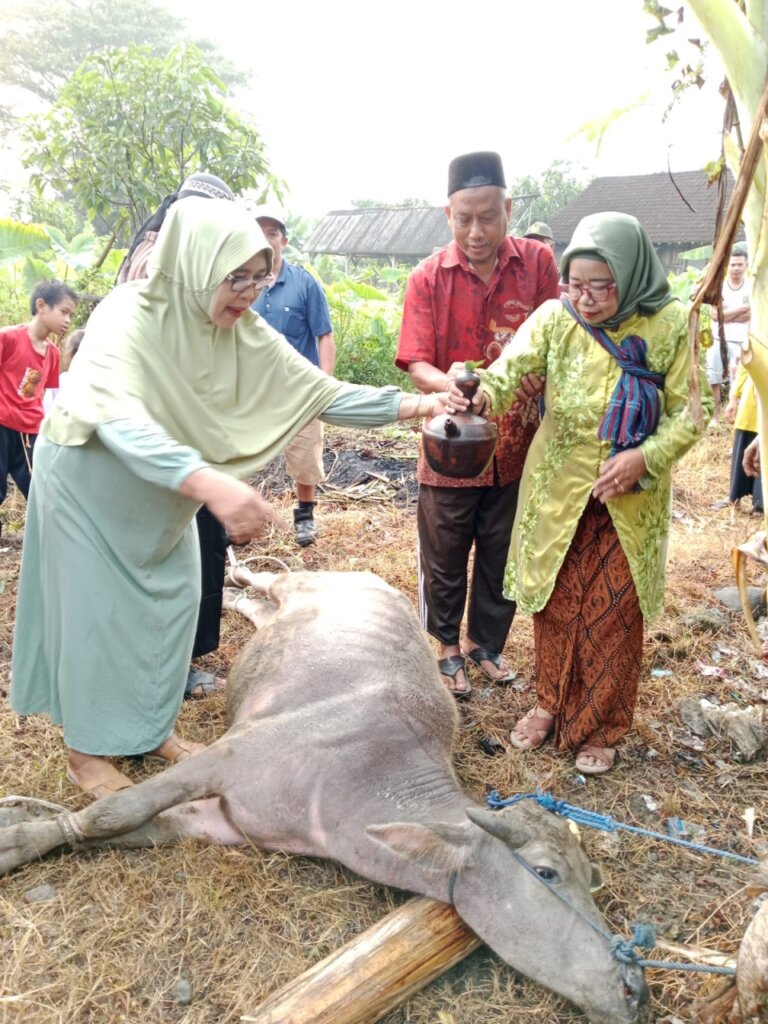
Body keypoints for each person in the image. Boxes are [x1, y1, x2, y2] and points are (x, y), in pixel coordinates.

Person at [10, 197, 449, 800]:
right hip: (91, 489)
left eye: (258, 276)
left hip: (162, 495)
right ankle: (85, 756)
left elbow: (313, 390)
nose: (247, 292)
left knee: (172, 606)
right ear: (193, 266)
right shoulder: (127, 315)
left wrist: (417, 405)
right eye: (234, 277)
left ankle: (148, 729)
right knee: (100, 621)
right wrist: (211, 483)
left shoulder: (239, 329)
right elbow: (114, 416)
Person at [448, 211, 712, 774]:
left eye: (601, 285)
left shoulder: (671, 323)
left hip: (630, 494)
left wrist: (645, 456)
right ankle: (549, 703)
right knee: (557, 602)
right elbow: (508, 370)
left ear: (632, 274)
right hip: (559, 487)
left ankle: (601, 724)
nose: (585, 299)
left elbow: (695, 411)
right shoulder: (554, 318)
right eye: (576, 283)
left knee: (614, 608)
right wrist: (478, 393)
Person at [396, 151, 559, 698]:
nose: (475, 231)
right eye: (463, 218)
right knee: (443, 551)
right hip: (450, 443)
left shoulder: (536, 265)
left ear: (508, 208)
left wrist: (537, 376)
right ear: (448, 215)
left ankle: (485, 645)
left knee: (500, 550)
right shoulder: (428, 278)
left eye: (487, 216)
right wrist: (450, 386)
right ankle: (445, 647)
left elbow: (553, 338)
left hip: (515, 444)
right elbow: (416, 362)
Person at [117, 171, 236, 699]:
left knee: (199, 545)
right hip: (160, 431)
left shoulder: (194, 260)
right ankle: (165, 666)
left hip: (191, 427)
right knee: (168, 550)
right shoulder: (156, 260)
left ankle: (178, 659)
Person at [252, 206, 336, 547]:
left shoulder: (304, 283)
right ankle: (236, 516)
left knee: (304, 455)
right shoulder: (242, 282)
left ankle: (304, 515)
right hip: (252, 389)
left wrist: (324, 384)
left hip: (299, 389)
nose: (265, 240)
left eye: (272, 234)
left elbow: (324, 335)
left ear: (284, 241)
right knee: (237, 452)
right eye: (259, 233)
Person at [0, 280, 75, 522]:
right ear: (41, 305)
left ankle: (47, 556)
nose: (68, 320)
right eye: (64, 312)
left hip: (30, 434)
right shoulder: (8, 338)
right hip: (1, 426)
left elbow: (41, 396)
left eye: (71, 315)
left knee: (43, 496)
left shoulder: (52, 353)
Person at [711, 362, 763, 515]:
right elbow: (746, 364)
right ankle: (734, 497)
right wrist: (733, 398)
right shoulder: (756, 337)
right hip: (751, 397)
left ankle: (761, 504)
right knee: (742, 443)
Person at [706, 246, 750, 418]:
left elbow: (754, 312)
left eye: (739, 264)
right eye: (732, 265)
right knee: (713, 379)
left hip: (743, 341)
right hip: (718, 339)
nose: (736, 268)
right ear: (727, 266)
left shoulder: (752, 287)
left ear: (746, 265)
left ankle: (736, 418)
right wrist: (743, 309)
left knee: (739, 382)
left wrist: (726, 315)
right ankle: (716, 417)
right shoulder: (719, 287)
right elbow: (714, 315)